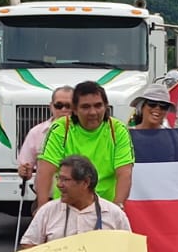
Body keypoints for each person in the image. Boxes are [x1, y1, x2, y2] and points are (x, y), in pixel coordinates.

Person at [35, 80, 134, 210]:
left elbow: (125, 174)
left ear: (106, 106)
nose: (93, 112)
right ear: (74, 110)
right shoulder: (60, 129)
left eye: (98, 106)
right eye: (85, 107)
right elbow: (45, 171)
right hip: (66, 208)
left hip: (105, 208)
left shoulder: (118, 130)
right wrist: (42, 210)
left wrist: (117, 208)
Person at [16, 85, 74, 180]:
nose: (63, 109)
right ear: (51, 106)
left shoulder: (84, 131)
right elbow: (25, 167)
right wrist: (24, 171)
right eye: (58, 106)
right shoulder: (36, 132)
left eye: (69, 106)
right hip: (47, 193)